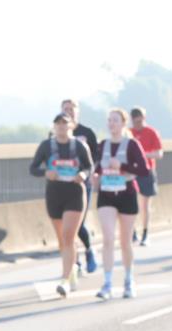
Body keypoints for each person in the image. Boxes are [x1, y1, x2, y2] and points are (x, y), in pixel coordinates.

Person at [30, 112, 93, 296]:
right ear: (54, 127)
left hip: (74, 193)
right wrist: (45, 173)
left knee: (68, 235)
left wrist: (83, 175)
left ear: (71, 126)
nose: (61, 127)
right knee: (63, 240)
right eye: (58, 124)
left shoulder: (79, 146)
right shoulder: (46, 146)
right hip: (55, 194)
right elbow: (33, 168)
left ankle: (64, 280)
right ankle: (72, 268)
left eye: (64, 124)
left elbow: (89, 167)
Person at [93, 108, 149, 299]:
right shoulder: (102, 145)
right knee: (108, 238)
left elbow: (144, 169)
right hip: (106, 194)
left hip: (127, 193)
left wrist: (123, 166)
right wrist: (95, 176)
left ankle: (128, 279)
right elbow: (97, 167)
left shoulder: (132, 144)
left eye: (115, 120)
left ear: (124, 123)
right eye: (109, 120)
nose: (111, 124)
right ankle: (107, 283)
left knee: (125, 241)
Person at [61, 99, 98, 273]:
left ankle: (89, 250)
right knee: (66, 226)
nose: (68, 112)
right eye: (65, 109)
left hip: (82, 184)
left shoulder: (87, 133)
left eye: (71, 109)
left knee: (78, 222)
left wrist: (87, 174)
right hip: (63, 186)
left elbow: (95, 159)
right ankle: (75, 263)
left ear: (78, 112)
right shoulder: (56, 134)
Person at [130, 107, 163, 246]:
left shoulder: (151, 132)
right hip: (131, 172)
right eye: (136, 122)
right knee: (131, 204)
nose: (139, 124)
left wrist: (143, 155)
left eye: (140, 121)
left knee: (145, 205)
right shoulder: (129, 133)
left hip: (147, 171)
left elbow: (159, 153)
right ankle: (132, 232)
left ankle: (145, 233)